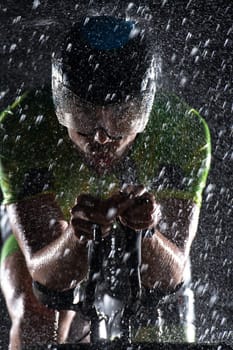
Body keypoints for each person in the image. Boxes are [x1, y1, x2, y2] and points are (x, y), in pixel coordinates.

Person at [0, 15, 211, 349]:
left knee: (164, 320)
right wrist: (75, 235)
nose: (100, 138)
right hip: (52, 228)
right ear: (59, 104)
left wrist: (147, 233)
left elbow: (169, 277)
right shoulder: (21, 129)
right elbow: (45, 278)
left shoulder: (182, 132)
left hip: (137, 234)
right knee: (37, 316)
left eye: (122, 118)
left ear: (146, 109)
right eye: (82, 116)